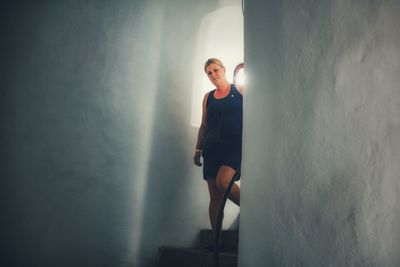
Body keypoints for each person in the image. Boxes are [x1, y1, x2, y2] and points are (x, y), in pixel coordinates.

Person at [193, 58, 243, 235]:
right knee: (215, 196)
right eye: (209, 73)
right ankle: (216, 242)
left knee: (224, 182)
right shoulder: (208, 97)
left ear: (224, 69)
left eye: (215, 70)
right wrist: (198, 148)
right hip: (211, 148)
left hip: (234, 145)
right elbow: (204, 125)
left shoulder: (240, 90)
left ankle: (253, 211)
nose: (213, 75)